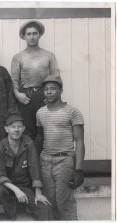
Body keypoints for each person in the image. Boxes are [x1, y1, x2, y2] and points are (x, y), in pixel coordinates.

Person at [36, 75, 85, 220]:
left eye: (53, 88)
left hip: (64, 161)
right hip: (45, 161)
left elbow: (80, 141)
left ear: (61, 90)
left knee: (64, 203)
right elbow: (40, 138)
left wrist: (79, 170)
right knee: (49, 203)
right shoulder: (40, 112)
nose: (49, 92)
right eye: (46, 89)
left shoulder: (73, 112)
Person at [0, 111, 53, 220]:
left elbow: (35, 170)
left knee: (45, 208)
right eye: (12, 127)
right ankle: (9, 207)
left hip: (25, 186)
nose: (16, 130)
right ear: (6, 129)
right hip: (7, 187)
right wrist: (16, 190)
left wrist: (38, 193)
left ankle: (26, 205)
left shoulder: (28, 143)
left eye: (19, 126)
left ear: (23, 128)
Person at [11, 20, 60, 146]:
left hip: (44, 95)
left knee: (44, 130)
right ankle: (29, 163)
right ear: (24, 36)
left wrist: (51, 97)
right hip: (25, 97)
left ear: (39, 35)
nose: (32, 37)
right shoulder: (18, 57)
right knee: (27, 131)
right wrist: (18, 94)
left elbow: (56, 78)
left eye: (34, 33)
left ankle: (45, 162)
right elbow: (14, 79)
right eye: (29, 34)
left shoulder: (49, 55)